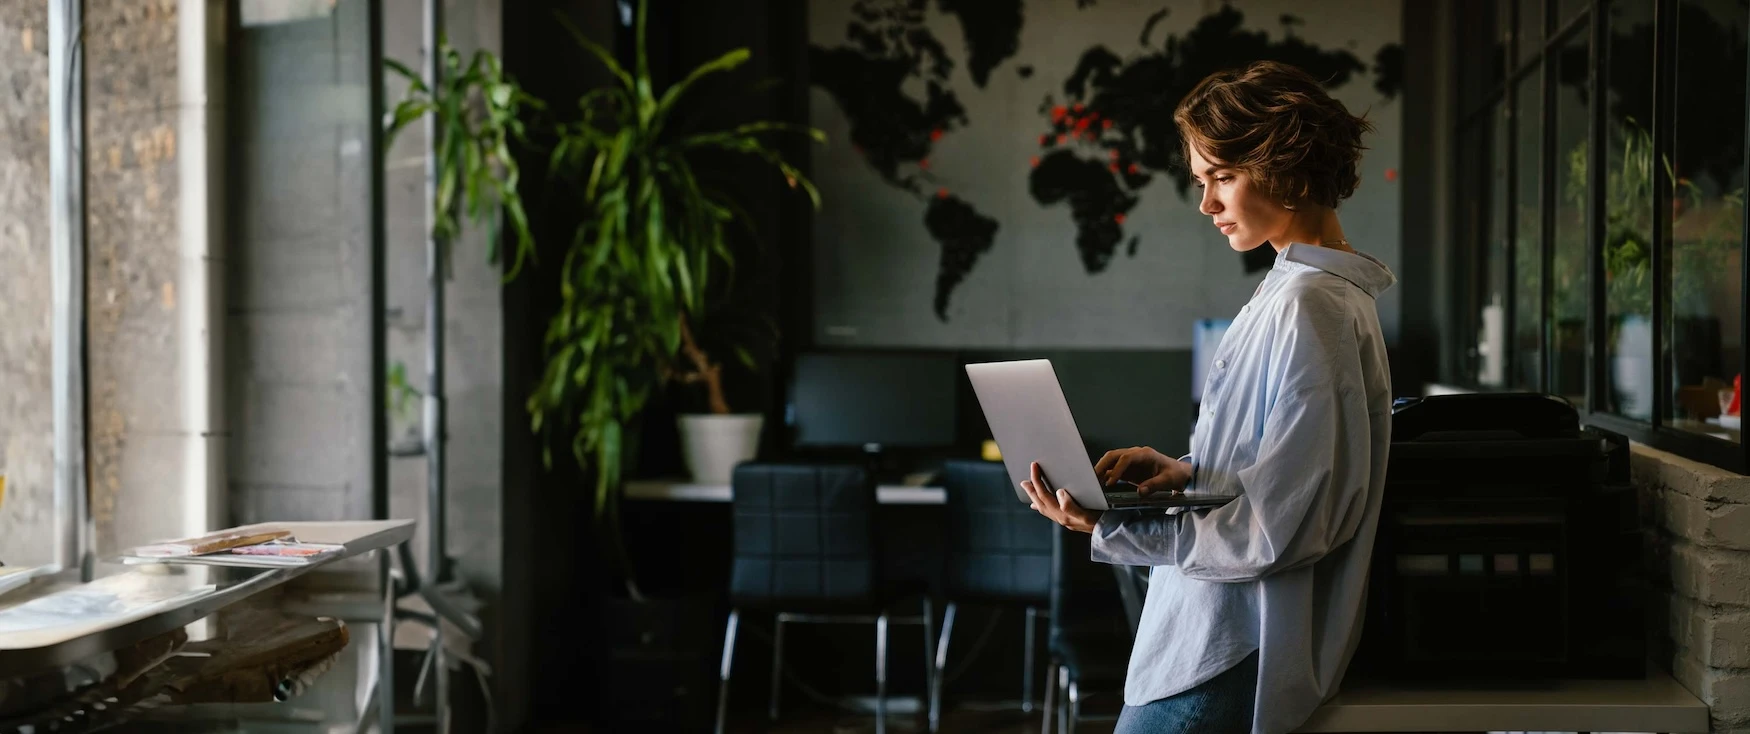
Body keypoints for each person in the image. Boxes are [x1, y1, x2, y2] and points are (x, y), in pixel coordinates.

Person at [1020, 60, 1396, 734]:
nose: (1207, 205)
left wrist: (1115, 526)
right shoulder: (1292, 290)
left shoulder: (1316, 307)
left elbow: (1286, 524)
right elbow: (1284, 467)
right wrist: (1187, 472)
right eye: (1202, 182)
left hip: (1231, 646)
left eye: (1223, 177)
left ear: (1289, 162)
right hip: (1210, 635)